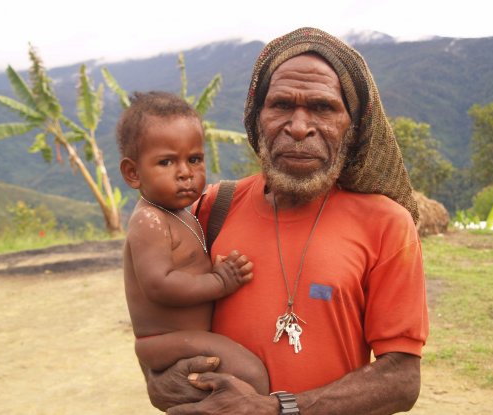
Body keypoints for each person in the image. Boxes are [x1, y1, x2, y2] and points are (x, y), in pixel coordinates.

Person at [146, 27, 429, 415]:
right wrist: (159, 380)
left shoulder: (387, 225)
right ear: (256, 117)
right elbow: (164, 325)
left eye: (323, 108)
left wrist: (278, 409)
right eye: (281, 105)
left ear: (354, 125)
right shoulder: (214, 207)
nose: (298, 127)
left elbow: (401, 380)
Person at [117, 91, 269, 395]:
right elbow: (159, 284)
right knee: (251, 374)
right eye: (166, 162)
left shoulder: (180, 214)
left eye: (195, 159)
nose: (185, 173)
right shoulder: (150, 222)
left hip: (186, 335)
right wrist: (220, 282)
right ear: (133, 173)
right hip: (164, 339)